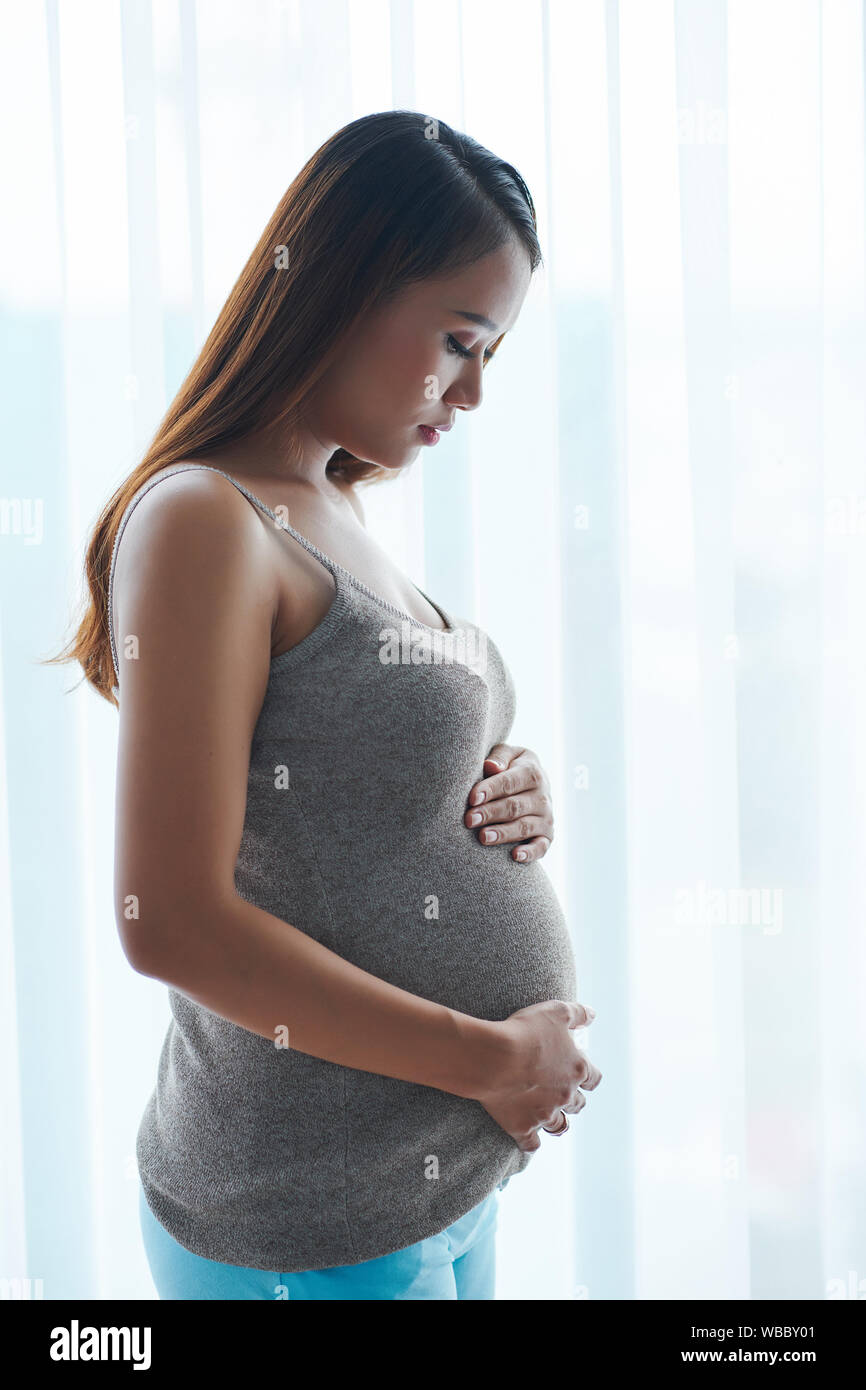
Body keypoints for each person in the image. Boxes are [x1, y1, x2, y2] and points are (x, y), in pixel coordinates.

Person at [49, 110, 602, 1300]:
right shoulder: (206, 517)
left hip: (426, 1185)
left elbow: (351, 781)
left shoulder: (331, 505)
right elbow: (171, 922)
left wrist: (497, 786)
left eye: (491, 352)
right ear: (344, 285)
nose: (471, 393)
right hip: (313, 1211)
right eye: (460, 339)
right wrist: (496, 1057)